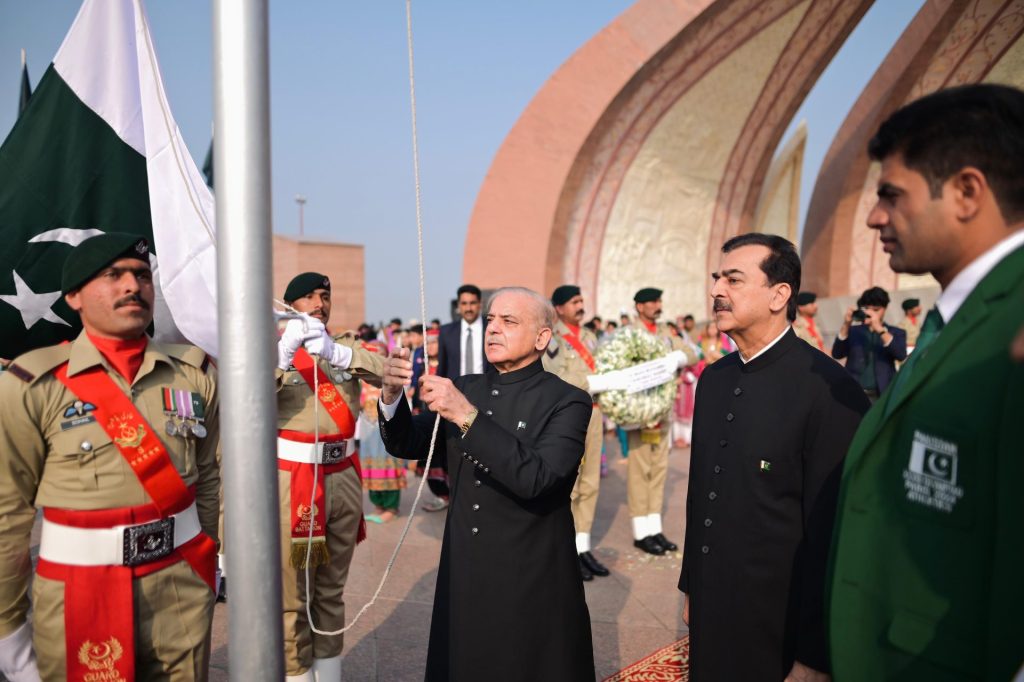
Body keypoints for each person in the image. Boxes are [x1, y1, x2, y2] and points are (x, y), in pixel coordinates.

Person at [828, 84, 1024, 681]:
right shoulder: (959, 317)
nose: (874, 216)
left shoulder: (1013, 325)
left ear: (967, 192)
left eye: (891, 194)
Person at [0, 233, 221, 681]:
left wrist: (208, 563)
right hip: (80, 588)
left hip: (180, 585)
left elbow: (210, 479)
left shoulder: (193, 375)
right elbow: (8, 512)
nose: (131, 286)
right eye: (112, 275)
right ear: (74, 296)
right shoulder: (32, 382)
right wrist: (7, 628)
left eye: (142, 276)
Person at [378, 287, 595, 681]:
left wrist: (465, 415)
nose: (493, 329)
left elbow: (539, 479)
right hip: (466, 566)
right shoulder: (469, 385)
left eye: (509, 322)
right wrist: (392, 397)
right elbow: (407, 441)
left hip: (529, 572)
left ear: (542, 338)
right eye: (491, 320)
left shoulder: (568, 400)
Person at [679, 233, 868, 681]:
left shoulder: (829, 390)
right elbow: (701, 493)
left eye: (734, 279)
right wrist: (692, 584)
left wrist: (814, 655)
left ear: (779, 294)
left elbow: (835, 536)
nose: (716, 291)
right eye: (716, 279)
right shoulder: (714, 379)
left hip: (780, 622)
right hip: (713, 606)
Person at [275, 272, 385, 681]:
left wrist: (337, 356)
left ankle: (329, 671)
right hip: (295, 479)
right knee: (293, 595)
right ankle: (297, 674)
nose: (319, 303)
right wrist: (282, 357)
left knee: (332, 590)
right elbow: (246, 401)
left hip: (342, 475)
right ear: (288, 306)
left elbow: (385, 372)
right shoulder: (271, 350)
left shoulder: (343, 346)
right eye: (307, 297)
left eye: (324, 295)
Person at [542, 285, 610, 581]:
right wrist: (592, 380)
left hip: (594, 413)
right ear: (559, 308)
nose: (581, 306)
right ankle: (565, 548)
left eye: (582, 301)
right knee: (571, 484)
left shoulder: (591, 338)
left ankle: (582, 546)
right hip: (569, 415)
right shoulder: (552, 339)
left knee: (591, 482)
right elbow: (553, 375)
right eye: (574, 302)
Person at [627, 288, 698, 555]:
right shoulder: (629, 334)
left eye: (659, 301)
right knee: (640, 470)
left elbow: (692, 353)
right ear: (639, 306)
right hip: (641, 412)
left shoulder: (666, 332)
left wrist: (676, 358)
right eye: (652, 302)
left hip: (663, 410)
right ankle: (640, 531)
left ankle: (654, 527)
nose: (658, 305)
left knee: (658, 470)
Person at [832, 286, 907, 401]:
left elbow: (901, 355)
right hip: (853, 392)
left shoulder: (896, 332)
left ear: (885, 309)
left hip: (881, 394)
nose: (871, 313)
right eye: (867, 309)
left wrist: (880, 329)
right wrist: (846, 324)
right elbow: (837, 354)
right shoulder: (853, 330)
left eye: (876, 310)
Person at [357, 379, 406, 524]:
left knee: (388, 467)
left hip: (387, 433)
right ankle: (378, 505)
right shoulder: (361, 382)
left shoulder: (391, 380)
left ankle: (391, 508)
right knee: (371, 469)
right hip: (368, 435)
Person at [437, 284, 493, 380]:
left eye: (473, 303)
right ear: (458, 305)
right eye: (464, 303)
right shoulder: (446, 332)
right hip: (455, 389)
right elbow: (442, 368)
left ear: (480, 304)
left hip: (487, 388)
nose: (468, 308)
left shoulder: (492, 328)